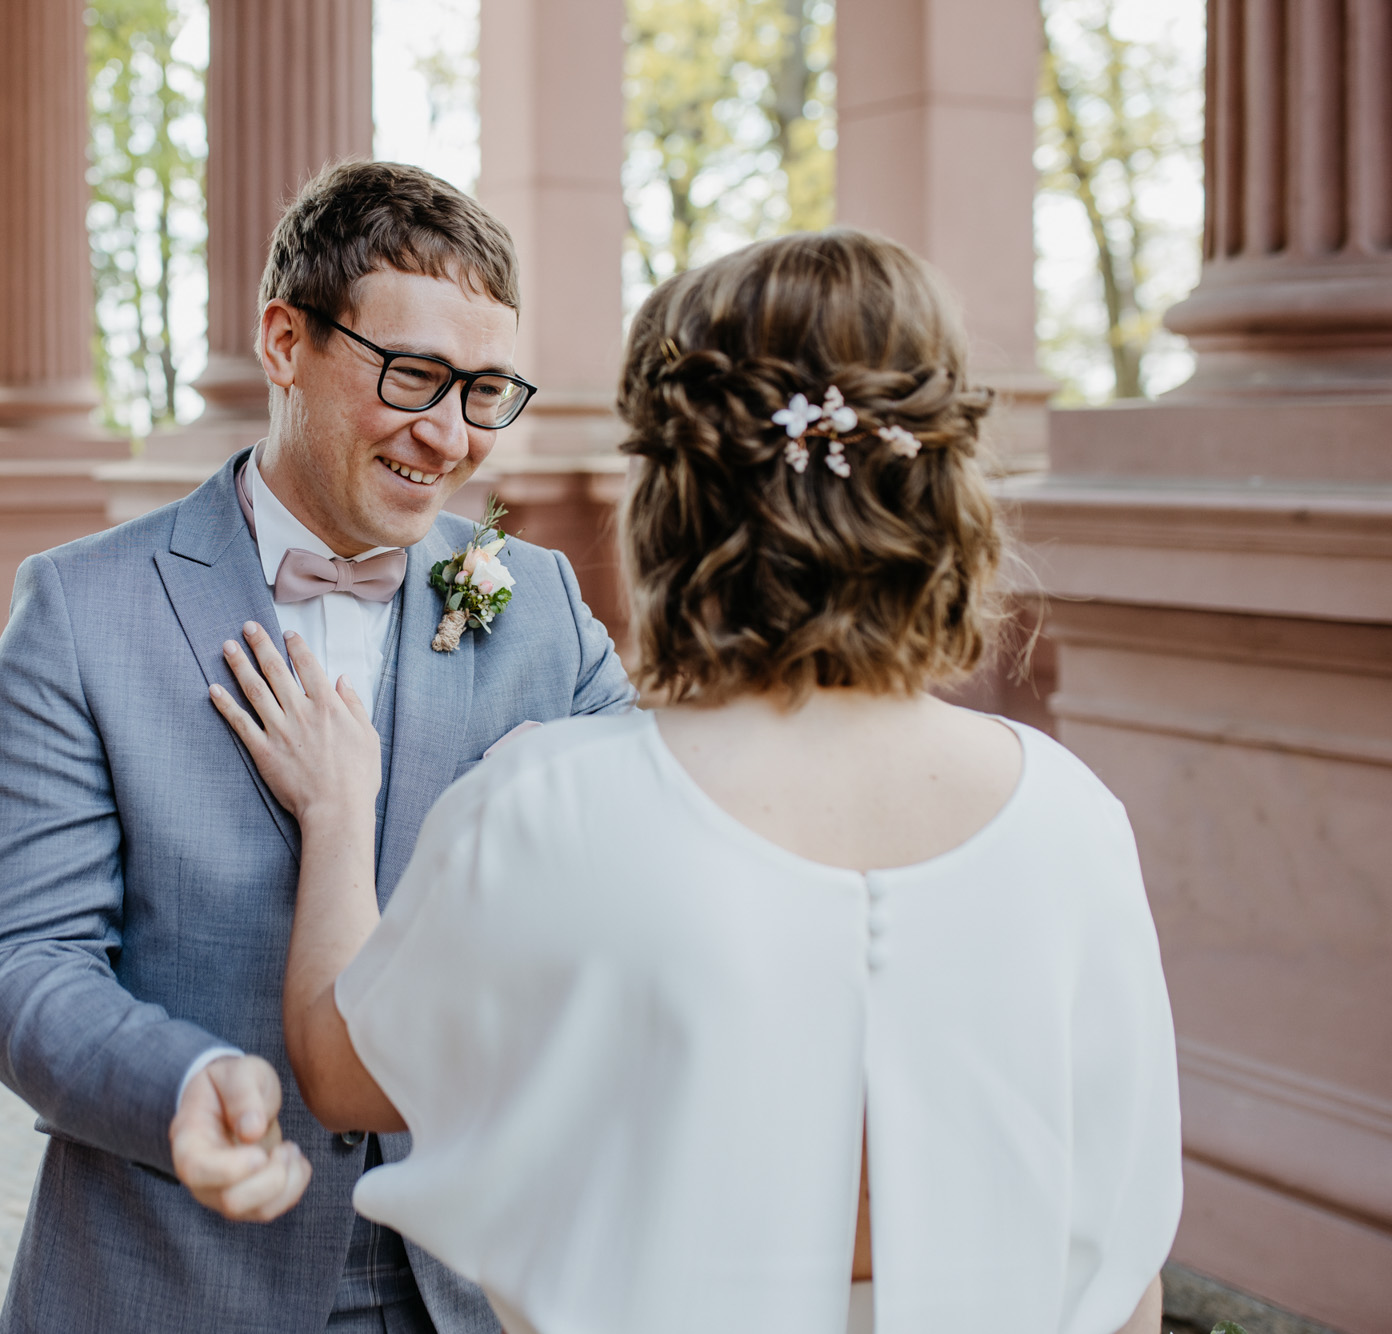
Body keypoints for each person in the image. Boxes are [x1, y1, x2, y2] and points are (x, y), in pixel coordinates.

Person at [209, 229, 1183, 1334]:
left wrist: (337, 813)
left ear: (670, 494)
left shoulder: (551, 805)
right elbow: (1125, 1268)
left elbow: (341, 1072)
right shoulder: (1072, 820)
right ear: (940, 491)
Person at [0, 159, 634, 1334]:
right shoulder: (79, 611)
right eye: (414, 375)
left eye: (483, 390)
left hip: (467, 1283)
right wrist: (175, 1084)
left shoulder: (541, 604)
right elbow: (18, 961)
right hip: (175, 1272)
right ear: (283, 342)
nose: (447, 436)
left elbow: (637, 888)